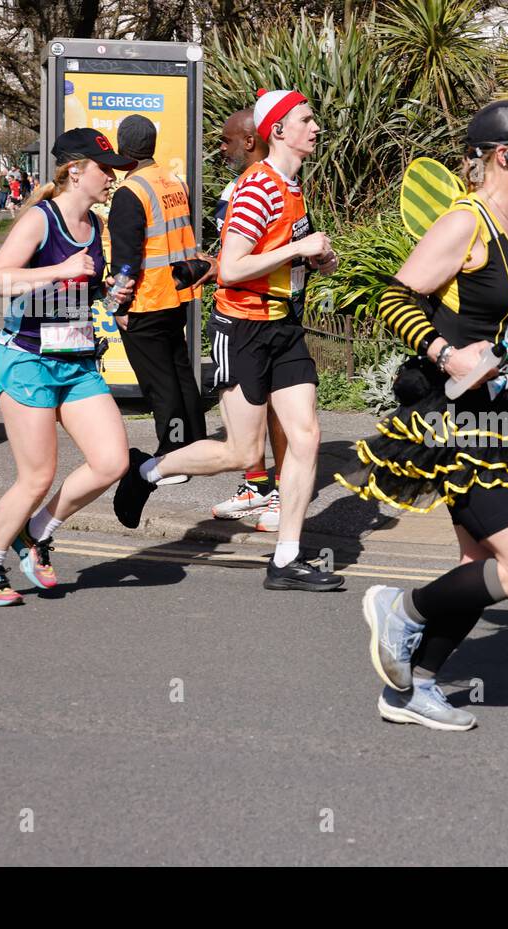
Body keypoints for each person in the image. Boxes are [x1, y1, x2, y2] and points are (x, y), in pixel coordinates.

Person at [338, 99, 508, 730]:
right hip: (458, 422)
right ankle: (402, 608)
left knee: (475, 566)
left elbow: (504, 316)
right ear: (507, 154)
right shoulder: (466, 221)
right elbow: (396, 294)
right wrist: (443, 352)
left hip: (503, 415)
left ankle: (413, 688)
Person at [111, 88, 344, 592]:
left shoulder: (292, 185)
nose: (316, 128)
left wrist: (315, 259)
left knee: (306, 438)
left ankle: (286, 559)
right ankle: (147, 471)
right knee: (242, 453)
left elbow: (279, 257)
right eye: (306, 120)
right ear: (277, 130)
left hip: (283, 328)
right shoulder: (256, 188)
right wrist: (297, 248)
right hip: (242, 331)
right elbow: (233, 268)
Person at [0, 129, 137, 606]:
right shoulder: (41, 219)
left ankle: (36, 533)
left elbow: (83, 289)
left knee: (112, 461)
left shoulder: (95, 223)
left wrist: (108, 295)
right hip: (28, 360)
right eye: (106, 169)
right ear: (76, 170)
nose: (113, 178)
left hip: (78, 360)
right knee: (37, 476)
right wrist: (59, 271)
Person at [107, 114, 211, 480]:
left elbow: (125, 261)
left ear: (122, 148)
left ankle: (172, 454)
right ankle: (194, 444)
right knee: (179, 371)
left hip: (146, 300)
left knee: (159, 382)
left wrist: (116, 305)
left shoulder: (129, 192)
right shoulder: (172, 181)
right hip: (177, 292)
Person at [207, 107, 287, 532]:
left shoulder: (266, 186)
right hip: (246, 313)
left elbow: (252, 258)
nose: (222, 148)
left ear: (250, 141)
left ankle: (280, 494)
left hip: (260, 315)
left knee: (277, 407)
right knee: (248, 405)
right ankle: (258, 486)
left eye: (227, 140)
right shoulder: (241, 187)